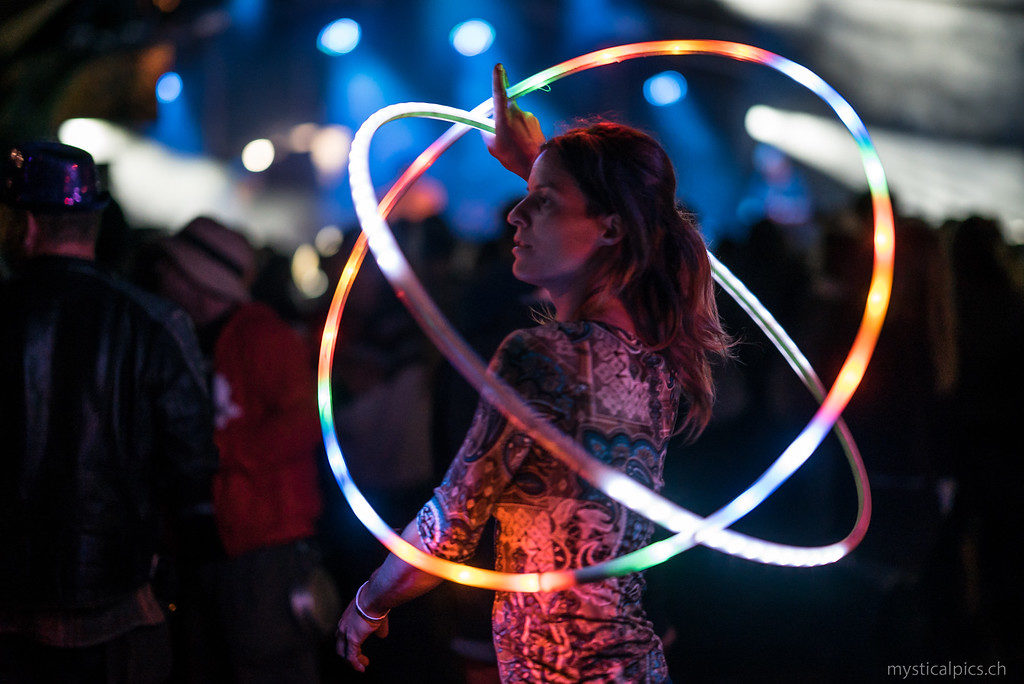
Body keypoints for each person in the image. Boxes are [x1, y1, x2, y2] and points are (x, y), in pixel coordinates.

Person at [335, 64, 731, 682]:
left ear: (610, 229)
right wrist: (542, 163)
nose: (514, 216)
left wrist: (366, 603)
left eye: (539, 203)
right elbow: (617, 209)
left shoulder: (540, 358)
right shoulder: (654, 353)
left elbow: (450, 526)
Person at [0, 141, 218, 682]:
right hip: (118, 606)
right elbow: (192, 469)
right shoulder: (155, 323)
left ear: (26, 225)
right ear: (94, 222)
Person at [154, 216, 328, 682]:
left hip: (262, 551)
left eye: (170, 266)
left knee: (267, 667)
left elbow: (307, 421)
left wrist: (213, 451)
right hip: (205, 548)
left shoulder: (262, 335)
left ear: (196, 276)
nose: (162, 277)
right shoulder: (181, 335)